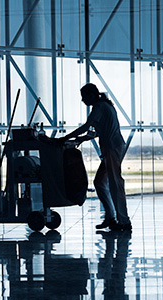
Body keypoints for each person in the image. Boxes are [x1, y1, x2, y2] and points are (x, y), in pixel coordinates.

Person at [61, 83, 131, 231]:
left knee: (115, 183)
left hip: (112, 148)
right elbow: (95, 132)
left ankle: (124, 221)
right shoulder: (105, 106)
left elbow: (86, 126)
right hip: (111, 148)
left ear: (91, 95)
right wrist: (80, 139)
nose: (83, 100)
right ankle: (111, 217)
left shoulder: (99, 107)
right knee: (100, 182)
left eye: (84, 97)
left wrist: (65, 137)